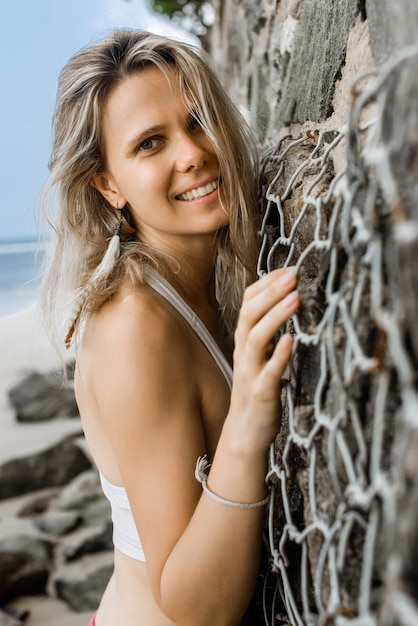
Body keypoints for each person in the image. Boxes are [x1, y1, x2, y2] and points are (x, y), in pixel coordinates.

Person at [41, 29, 299, 626]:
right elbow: (191, 608)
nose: (192, 154)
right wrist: (247, 422)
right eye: (150, 143)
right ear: (108, 185)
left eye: (198, 120)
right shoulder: (136, 326)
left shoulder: (211, 278)